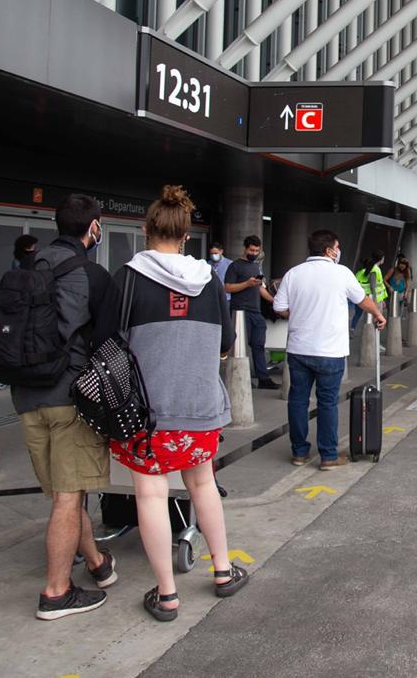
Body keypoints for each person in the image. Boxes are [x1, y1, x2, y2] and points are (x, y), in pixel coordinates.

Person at [94, 185, 247, 621]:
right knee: (203, 485)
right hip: (200, 408)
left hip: (146, 414)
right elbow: (225, 345)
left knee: (151, 493)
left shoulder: (127, 277)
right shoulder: (210, 282)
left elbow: (105, 342)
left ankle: (167, 595)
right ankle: (222, 571)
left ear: (147, 230)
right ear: (185, 235)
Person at [13, 195, 117, 621]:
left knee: (64, 494)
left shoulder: (27, 268)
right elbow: (111, 342)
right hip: (69, 399)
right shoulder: (92, 274)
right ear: (93, 227)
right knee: (69, 497)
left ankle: (96, 562)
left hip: (26, 398)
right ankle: (56, 592)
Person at [273, 230, 386, 470]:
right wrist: (377, 314)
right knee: (327, 403)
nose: (338, 251)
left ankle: (299, 453)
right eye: (337, 247)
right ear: (329, 251)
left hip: (299, 349)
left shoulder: (293, 274)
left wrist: (299, 315)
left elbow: (279, 306)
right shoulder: (341, 273)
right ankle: (328, 456)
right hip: (330, 351)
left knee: (298, 400)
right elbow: (362, 299)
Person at [224, 236, 279, 389]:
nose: (254, 253)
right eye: (251, 250)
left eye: (256, 250)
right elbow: (227, 287)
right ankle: (238, 378)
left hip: (256, 311)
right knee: (239, 346)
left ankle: (263, 378)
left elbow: (260, 288)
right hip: (240, 311)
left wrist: (274, 300)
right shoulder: (235, 266)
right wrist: (247, 283)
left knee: (259, 344)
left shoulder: (255, 267)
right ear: (245, 248)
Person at [352, 251, 388, 331]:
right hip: (373, 299)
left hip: (366, 297)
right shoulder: (375, 269)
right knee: (374, 321)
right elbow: (373, 286)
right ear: (381, 258)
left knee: (360, 316)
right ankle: (372, 341)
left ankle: (353, 330)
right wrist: (375, 302)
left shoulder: (363, 271)